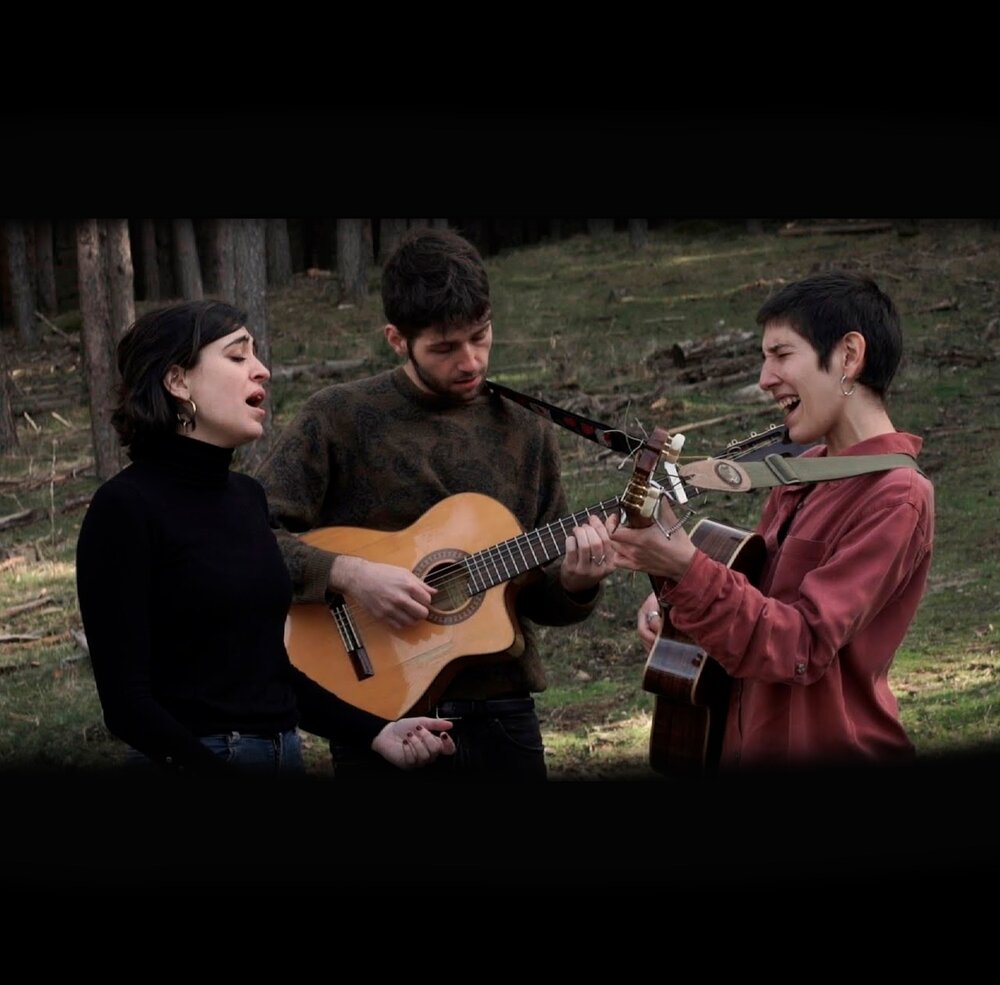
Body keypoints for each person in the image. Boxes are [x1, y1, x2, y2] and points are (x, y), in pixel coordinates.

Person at [256, 227, 613, 780]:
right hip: (379, 717)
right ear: (397, 340)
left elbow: (541, 597)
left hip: (502, 718)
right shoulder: (337, 418)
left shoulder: (526, 430)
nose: (470, 361)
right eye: (445, 348)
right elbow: (249, 538)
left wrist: (577, 583)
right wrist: (349, 574)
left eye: (480, 336)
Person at [75, 300, 456, 776]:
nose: (262, 370)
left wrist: (377, 733)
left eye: (255, 355)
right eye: (238, 356)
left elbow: (269, 673)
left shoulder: (247, 497)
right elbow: (126, 704)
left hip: (284, 754)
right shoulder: (124, 508)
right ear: (177, 382)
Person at [605, 271, 934, 770]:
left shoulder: (897, 497)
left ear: (849, 356)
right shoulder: (800, 474)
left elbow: (800, 645)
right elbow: (754, 608)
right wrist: (674, 595)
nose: (764, 379)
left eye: (781, 354)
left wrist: (686, 569)